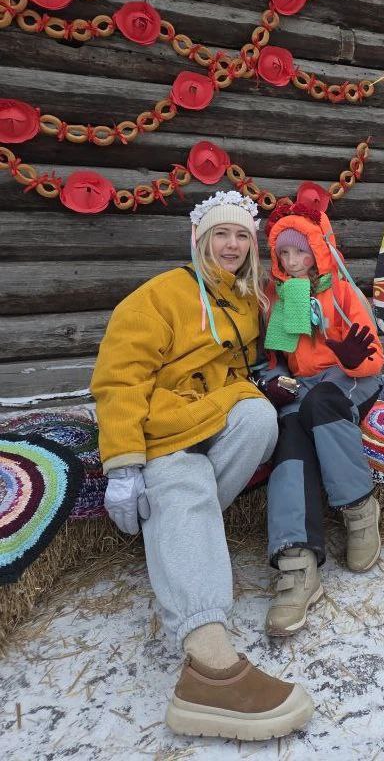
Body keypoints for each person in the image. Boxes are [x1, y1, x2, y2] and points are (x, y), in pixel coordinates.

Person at [90, 190, 314, 742]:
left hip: (210, 415)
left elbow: (246, 366)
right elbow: (119, 381)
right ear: (200, 239)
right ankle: (208, 666)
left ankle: (179, 535)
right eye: (222, 234)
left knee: (261, 419)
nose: (233, 244)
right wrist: (122, 465)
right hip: (163, 426)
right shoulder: (160, 296)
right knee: (186, 482)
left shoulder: (242, 301)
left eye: (241, 236)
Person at [259, 182, 384, 636]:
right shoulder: (279, 299)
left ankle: (357, 507)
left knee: (322, 404)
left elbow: (372, 358)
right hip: (304, 384)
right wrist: (272, 382)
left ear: (319, 250)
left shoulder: (343, 292)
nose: (292, 263)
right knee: (291, 433)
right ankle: (296, 560)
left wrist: (349, 354)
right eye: (283, 255)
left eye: (300, 253)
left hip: (349, 381)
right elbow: (271, 359)